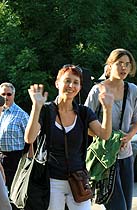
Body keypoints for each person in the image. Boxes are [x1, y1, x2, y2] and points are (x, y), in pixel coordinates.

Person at [25, 65, 114, 210]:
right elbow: (29, 138)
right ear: (57, 83)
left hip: (78, 180)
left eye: (76, 82)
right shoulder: (46, 110)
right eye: (67, 81)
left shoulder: (84, 113)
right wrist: (36, 107)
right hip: (52, 181)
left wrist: (107, 109)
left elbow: (104, 134)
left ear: (79, 87)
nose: (71, 86)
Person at [85, 48, 137, 210]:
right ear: (109, 66)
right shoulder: (97, 90)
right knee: (118, 207)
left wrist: (129, 136)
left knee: (126, 207)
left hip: (126, 155)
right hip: (104, 157)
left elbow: (136, 121)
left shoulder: (133, 90)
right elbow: (85, 123)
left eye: (127, 64)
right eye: (119, 63)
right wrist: (106, 136)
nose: (124, 68)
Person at [0, 82, 30, 209]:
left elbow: (31, 139)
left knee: (14, 193)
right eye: (3, 94)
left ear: (13, 95)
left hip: (16, 158)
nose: (6, 97)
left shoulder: (21, 115)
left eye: (8, 94)